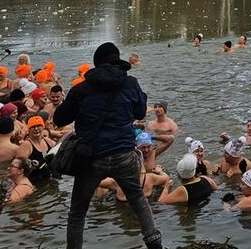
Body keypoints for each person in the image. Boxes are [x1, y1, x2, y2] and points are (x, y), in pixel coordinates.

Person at [53, 41, 163, 249]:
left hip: (91, 157)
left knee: (77, 213)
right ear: (117, 60)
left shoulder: (81, 89)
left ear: (97, 64)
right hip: (124, 153)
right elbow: (140, 112)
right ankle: (156, 246)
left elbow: (60, 118)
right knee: (139, 201)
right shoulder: (130, 83)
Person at [16, 116, 55, 181]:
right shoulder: (26, 145)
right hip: (34, 181)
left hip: (49, 179)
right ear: (28, 129)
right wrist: (34, 165)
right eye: (33, 127)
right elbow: (18, 167)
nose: (36, 129)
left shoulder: (49, 141)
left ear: (43, 127)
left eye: (39, 125)